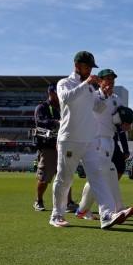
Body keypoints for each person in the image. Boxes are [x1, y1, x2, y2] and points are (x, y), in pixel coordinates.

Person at [49, 51, 128, 229]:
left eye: (91, 67)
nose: (90, 70)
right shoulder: (65, 83)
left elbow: (98, 109)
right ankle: (57, 214)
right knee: (65, 178)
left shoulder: (91, 88)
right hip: (69, 138)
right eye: (87, 67)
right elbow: (66, 99)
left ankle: (107, 215)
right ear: (77, 66)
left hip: (90, 139)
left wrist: (106, 96)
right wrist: (86, 84)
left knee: (98, 176)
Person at [75, 69, 133, 221]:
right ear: (100, 82)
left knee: (104, 174)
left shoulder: (116, 99)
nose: (110, 83)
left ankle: (82, 210)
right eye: (107, 80)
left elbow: (120, 120)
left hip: (110, 140)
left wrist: (127, 125)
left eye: (112, 80)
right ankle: (115, 210)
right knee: (104, 174)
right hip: (95, 140)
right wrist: (105, 96)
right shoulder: (93, 96)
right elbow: (97, 109)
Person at [33, 84, 78, 212]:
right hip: (48, 147)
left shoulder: (64, 107)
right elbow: (39, 121)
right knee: (45, 177)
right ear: (51, 93)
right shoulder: (42, 107)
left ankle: (68, 202)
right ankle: (38, 201)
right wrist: (55, 122)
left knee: (66, 176)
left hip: (64, 145)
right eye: (57, 93)